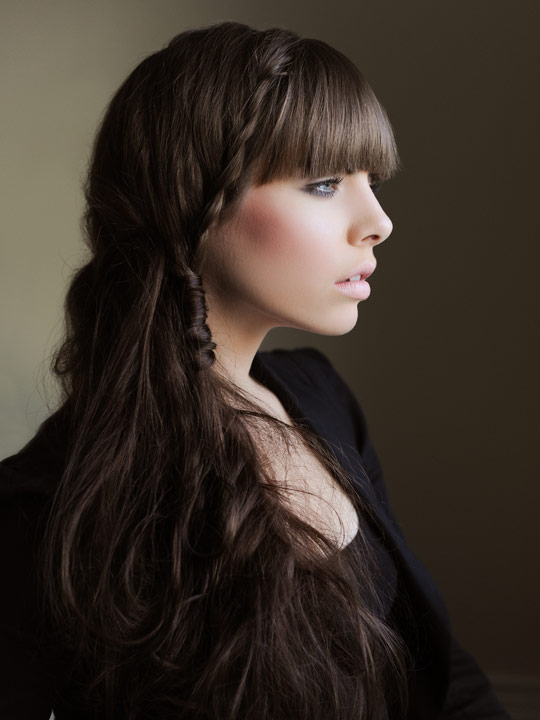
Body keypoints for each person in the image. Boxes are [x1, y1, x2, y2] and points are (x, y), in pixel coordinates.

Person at [0, 21, 510, 720]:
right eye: (325, 183)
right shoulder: (41, 508)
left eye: (371, 180)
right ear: (192, 202)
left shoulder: (322, 399)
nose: (379, 221)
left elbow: (441, 676)